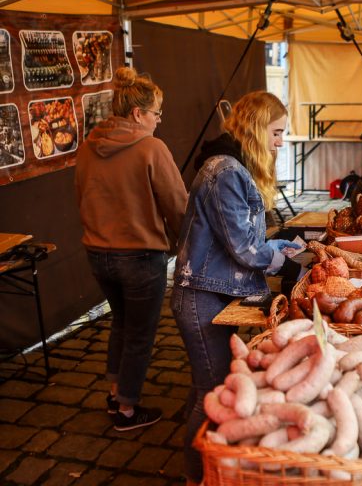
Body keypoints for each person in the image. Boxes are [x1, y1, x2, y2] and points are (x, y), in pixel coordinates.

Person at [171, 91, 303, 485]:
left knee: (206, 384)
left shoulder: (232, 166)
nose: (280, 142)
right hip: (201, 296)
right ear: (258, 127)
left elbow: (244, 239)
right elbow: (246, 249)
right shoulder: (225, 171)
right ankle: (197, 474)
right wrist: (283, 255)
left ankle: (207, 469)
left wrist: (280, 246)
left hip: (214, 292)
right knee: (211, 389)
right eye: (277, 132)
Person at [74, 66, 188, 431]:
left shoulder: (89, 146)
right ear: (138, 114)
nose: (159, 120)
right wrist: (188, 240)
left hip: (97, 254)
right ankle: (126, 409)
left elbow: (82, 198)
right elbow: (177, 205)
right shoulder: (151, 147)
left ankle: (115, 391)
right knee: (139, 334)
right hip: (140, 257)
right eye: (156, 113)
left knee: (121, 324)